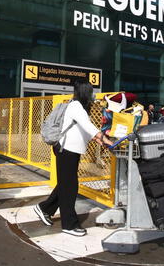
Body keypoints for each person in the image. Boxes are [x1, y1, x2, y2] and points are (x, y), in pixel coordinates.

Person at [34, 82, 112, 236]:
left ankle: (44, 208)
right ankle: (69, 225)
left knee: (65, 184)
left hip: (70, 151)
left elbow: (84, 129)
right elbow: (88, 126)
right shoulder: (76, 106)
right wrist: (104, 138)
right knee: (70, 187)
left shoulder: (78, 106)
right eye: (91, 92)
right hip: (66, 150)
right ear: (85, 93)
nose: (93, 96)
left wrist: (100, 140)